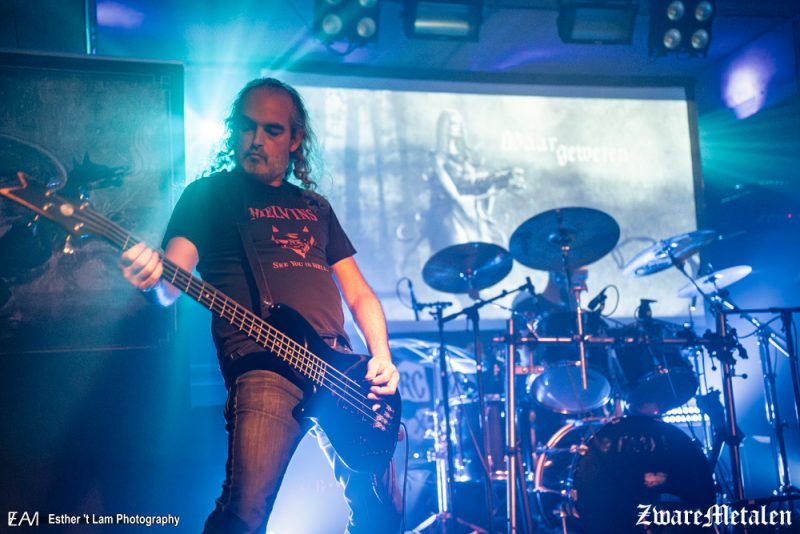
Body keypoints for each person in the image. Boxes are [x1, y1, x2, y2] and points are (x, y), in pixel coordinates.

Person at [118, 78, 402, 533]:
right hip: (264, 364)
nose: (256, 139)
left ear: (295, 139)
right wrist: (152, 277)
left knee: (381, 514)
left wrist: (382, 356)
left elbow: (359, 293)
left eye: (272, 130)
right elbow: (171, 283)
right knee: (244, 513)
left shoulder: (315, 206)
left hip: (340, 368)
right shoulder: (206, 195)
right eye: (247, 127)